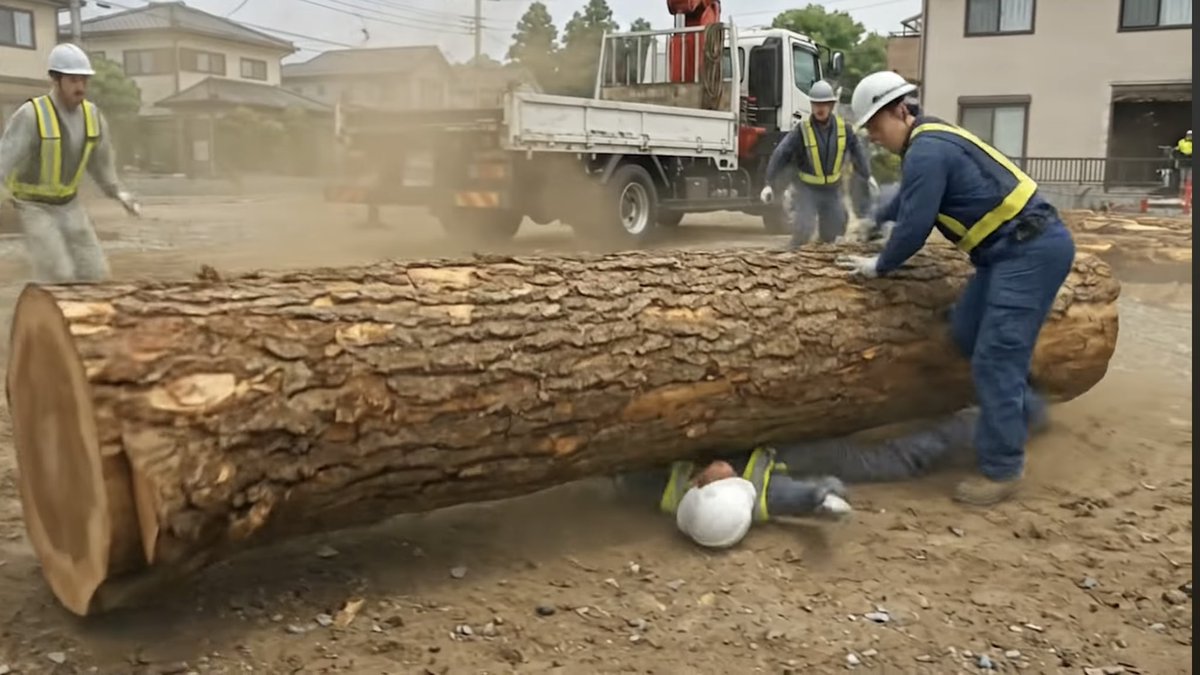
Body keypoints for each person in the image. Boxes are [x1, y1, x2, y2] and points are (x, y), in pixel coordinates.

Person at [835, 71, 1075, 507]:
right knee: (965, 331)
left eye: (875, 125)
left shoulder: (928, 149)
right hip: (1006, 254)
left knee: (995, 357)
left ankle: (1002, 468)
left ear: (900, 111)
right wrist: (875, 218)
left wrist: (880, 264)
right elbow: (908, 195)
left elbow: (915, 224)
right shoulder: (929, 140)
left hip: (1030, 251)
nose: (872, 136)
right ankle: (1027, 409)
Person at [619, 398, 1049, 548]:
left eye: (710, 476)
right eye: (727, 476)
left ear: (696, 487)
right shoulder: (757, 499)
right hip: (829, 456)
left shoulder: (671, 488)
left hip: (799, 430)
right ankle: (983, 423)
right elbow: (807, 495)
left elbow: (629, 481)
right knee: (900, 460)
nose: (719, 469)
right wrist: (828, 501)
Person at [0, 43, 141, 283]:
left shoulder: (92, 116)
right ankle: (40, 316)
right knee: (60, 274)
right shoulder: (31, 115)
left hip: (70, 206)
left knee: (95, 274)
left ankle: (86, 318)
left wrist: (118, 192)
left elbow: (101, 164)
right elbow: (4, 160)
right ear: (56, 80)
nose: (81, 87)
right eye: (74, 80)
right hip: (33, 207)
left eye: (84, 80)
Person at [760, 80, 876, 248]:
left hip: (832, 191)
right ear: (812, 105)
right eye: (816, 104)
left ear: (831, 105)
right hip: (807, 190)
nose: (820, 108)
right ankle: (793, 258)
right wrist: (769, 183)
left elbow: (858, 154)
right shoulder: (802, 130)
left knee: (835, 233)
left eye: (824, 104)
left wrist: (868, 176)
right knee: (803, 230)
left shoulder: (845, 130)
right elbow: (781, 154)